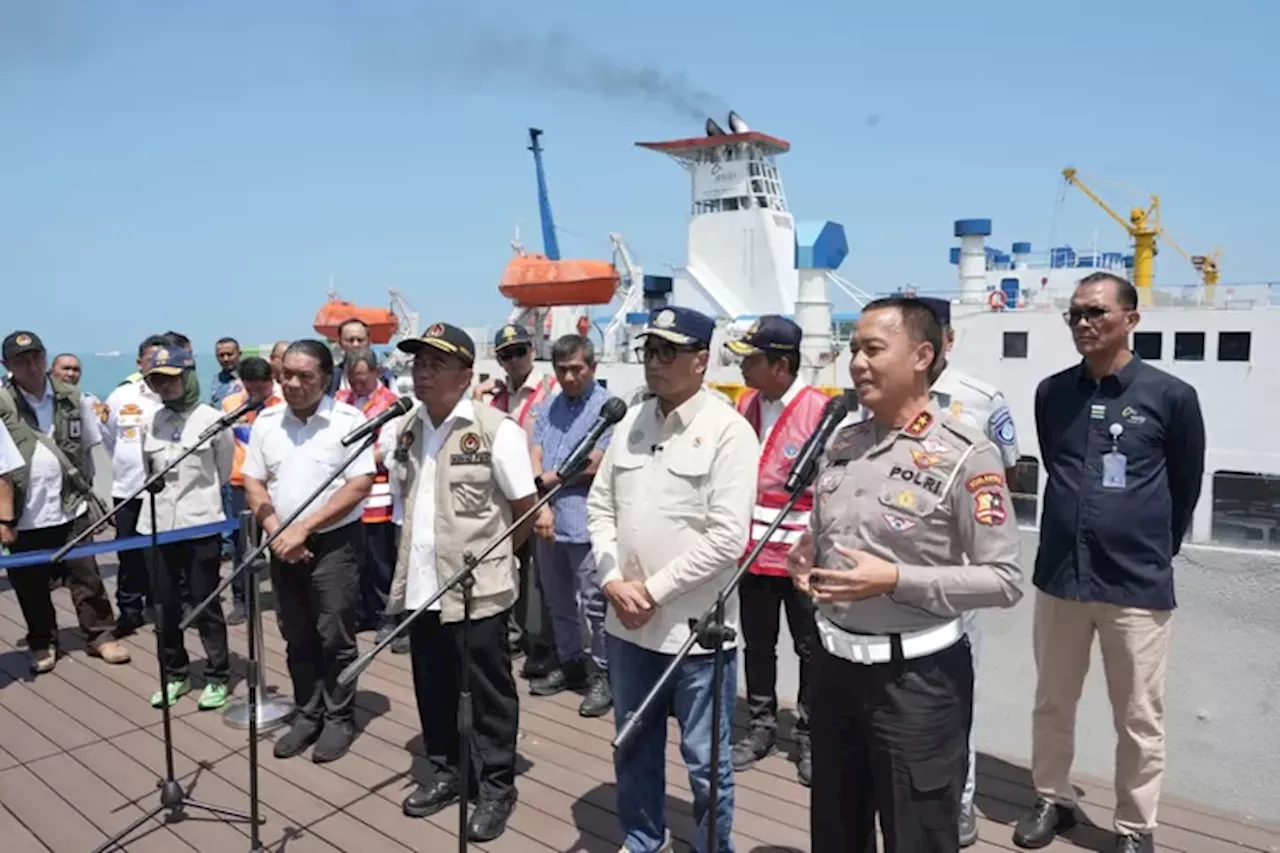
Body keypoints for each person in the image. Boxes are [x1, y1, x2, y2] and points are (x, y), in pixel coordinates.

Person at [791, 296, 1023, 853]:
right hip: (834, 670)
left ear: (922, 355)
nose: (857, 363)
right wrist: (807, 554)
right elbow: (829, 535)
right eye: (853, 350)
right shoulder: (842, 443)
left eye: (873, 349)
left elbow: (1004, 578)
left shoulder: (965, 453)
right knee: (835, 832)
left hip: (918, 682)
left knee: (918, 836)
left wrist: (896, 580)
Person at [1012, 273, 1205, 853]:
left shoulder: (1171, 397)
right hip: (1061, 577)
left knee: (1139, 716)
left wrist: (1150, 547)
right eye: (1074, 314)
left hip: (1136, 583)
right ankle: (1052, 798)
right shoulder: (1052, 394)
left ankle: (1135, 826)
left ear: (1130, 319)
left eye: (1095, 312)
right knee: (1052, 700)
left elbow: (1184, 484)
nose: (1083, 324)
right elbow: (1058, 467)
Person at [587, 306, 758, 853]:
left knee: (706, 760)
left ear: (701, 361)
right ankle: (644, 840)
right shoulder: (631, 421)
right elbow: (600, 507)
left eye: (668, 352)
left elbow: (728, 538)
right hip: (627, 626)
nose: (654, 362)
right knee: (632, 746)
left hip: (695, 633)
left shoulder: (729, 432)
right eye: (649, 351)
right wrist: (612, 577)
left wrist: (653, 592)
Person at [379, 323, 540, 842]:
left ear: (466, 376)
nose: (420, 374)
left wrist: (491, 566)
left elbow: (523, 513)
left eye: (434, 365)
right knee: (432, 683)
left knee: (489, 691)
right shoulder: (408, 428)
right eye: (417, 364)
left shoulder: (497, 430)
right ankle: (447, 770)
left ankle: (496, 784)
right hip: (422, 586)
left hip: (477, 590)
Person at [916, 295, 1022, 847]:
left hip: (955, 576)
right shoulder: (877, 400)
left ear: (946, 343)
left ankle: (959, 800)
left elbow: (1005, 472)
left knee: (958, 693)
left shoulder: (980, 400)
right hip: (892, 571)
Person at [242, 339, 376, 763]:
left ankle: (339, 717)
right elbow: (254, 482)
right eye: (287, 375)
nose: (294, 384)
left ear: (326, 378)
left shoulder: (348, 421)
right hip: (282, 543)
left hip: (334, 544)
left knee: (334, 633)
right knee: (295, 633)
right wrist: (278, 531)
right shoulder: (267, 423)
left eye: (306, 376)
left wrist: (304, 529)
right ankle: (307, 711)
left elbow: (359, 484)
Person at [722, 315, 826, 786]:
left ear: (781, 365)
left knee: (811, 650)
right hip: (752, 556)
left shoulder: (821, 412)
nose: (742, 365)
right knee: (757, 646)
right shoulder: (743, 404)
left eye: (753, 358)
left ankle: (810, 734)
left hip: (802, 562)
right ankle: (761, 726)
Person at [0, 330, 131, 673]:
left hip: (70, 505)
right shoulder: (2, 403)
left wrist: (85, 486)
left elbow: (90, 444)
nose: (31, 365)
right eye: (20, 360)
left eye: (36, 357)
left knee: (86, 575)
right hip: (24, 512)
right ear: (7, 365)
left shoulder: (72, 398)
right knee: (29, 584)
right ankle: (42, 641)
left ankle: (101, 635)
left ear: (45, 357)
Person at [136, 345, 234, 710]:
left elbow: (222, 472)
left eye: (171, 378)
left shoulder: (213, 418)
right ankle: (174, 673)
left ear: (188, 375)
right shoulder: (153, 420)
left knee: (205, 602)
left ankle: (218, 673)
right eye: (157, 380)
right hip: (158, 525)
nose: (165, 386)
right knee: (164, 605)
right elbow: (148, 471)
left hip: (199, 524)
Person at [528, 334, 617, 718]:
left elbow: (598, 461)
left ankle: (603, 673)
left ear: (593, 367)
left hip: (586, 518)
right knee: (558, 600)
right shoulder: (550, 405)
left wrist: (549, 479)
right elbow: (534, 448)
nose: (568, 377)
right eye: (561, 370)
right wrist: (539, 495)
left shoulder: (608, 409)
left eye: (576, 369)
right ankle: (570, 663)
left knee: (595, 603)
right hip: (548, 518)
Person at [474, 322, 559, 677]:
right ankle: (513, 635)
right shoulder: (492, 397)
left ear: (532, 352)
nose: (512, 360)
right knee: (507, 565)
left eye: (519, 351)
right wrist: (476, 398)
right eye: (505, 354)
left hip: (539, 492)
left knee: (547, 576)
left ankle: (551, 646)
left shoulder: (550, 391)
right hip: (502, 494)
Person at [100, 334, 168, 635]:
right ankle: (129, 610)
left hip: (166, 492)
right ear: (140, 362)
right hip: (128, 488)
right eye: (150, 359)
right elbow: (108, 437)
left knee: (163, 555)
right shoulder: (121, 397)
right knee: (128, 553)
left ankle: (161, 606)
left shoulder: (173, 396)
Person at [335, 347, 402, 642]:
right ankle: (363, 612)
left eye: (363, 378)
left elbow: (386, 448)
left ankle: (388, 615)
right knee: (356, 559)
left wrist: (349, 461)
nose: (358, 385)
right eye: (354, 379)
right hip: (346, 493)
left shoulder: (391, 403)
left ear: (376, 373)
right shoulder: (341, 400)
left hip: (378, 493)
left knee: (380, 559)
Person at [219, 356, 281, 625]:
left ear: (271, 381)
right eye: (250, 386)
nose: (255, 392)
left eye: (261, 387)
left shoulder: (283, 406)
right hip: (240, 484)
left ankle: (285, 598)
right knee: (243, 545)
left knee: (280, 542)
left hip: (275, 485)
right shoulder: (232, 404)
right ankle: (242, 601)